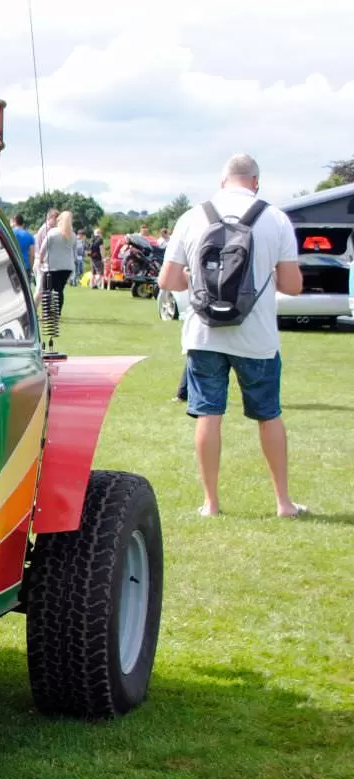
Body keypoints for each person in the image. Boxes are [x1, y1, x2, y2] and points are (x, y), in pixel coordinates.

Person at [156, 153, 305, 519]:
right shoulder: (275, 218)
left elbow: (168, 281)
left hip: (204, 334)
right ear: (256, 182)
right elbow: (292, 285)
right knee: (268, 415)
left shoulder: (193, 216)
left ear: (223, 181)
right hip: (257, 336)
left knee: (209, 413)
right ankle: (283, 502)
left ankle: (211, 503)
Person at [35, 210, 76, 329]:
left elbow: (42, 249)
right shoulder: (72, 235)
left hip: (52, 266)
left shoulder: (53, 232)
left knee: (47, 290)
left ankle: (47, 315)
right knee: (59, 290)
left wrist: (41, 260)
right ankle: (56, 315)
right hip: (67, 267)